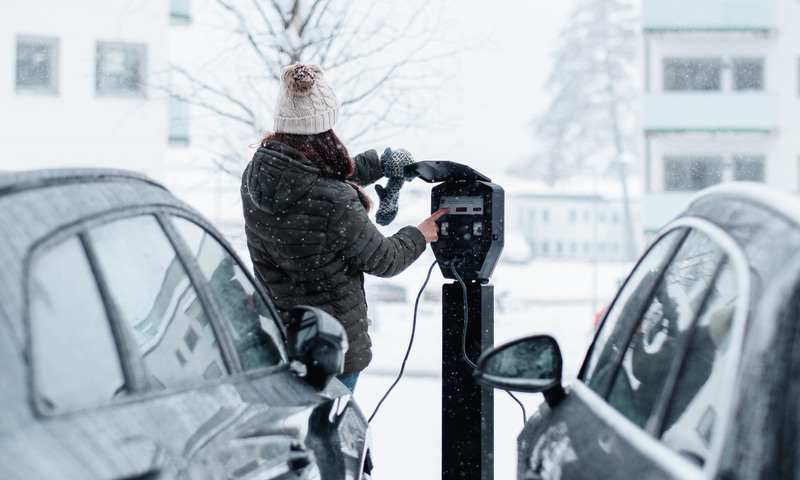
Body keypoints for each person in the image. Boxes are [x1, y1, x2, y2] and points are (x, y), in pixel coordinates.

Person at [240, 62, 448, 392]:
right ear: (323, 130)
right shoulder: (333, 201)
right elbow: (385, 259)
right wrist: (420, 234)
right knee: (332, 436)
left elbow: (311, 185)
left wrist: (378, 164)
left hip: (281, 340)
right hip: (330, 348)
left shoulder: (255, 177)